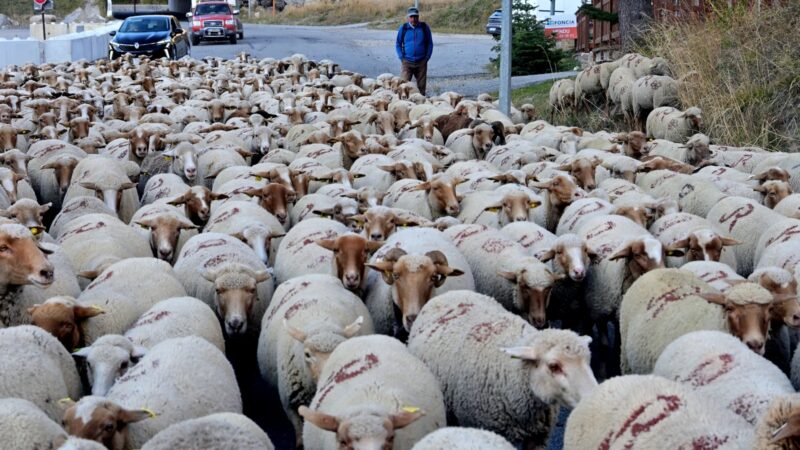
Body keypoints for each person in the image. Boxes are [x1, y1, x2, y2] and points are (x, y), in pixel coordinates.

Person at [395, 7, 433, 96]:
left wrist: (427, 57)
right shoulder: (404, 28)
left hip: (421, 62)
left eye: (415, 16)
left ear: (418, 17)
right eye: (411, 17)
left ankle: (421, 102)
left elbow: (430, 43)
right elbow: (398, 43)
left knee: (421, 87)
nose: (413, 19)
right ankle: (403, 102)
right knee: (403, 86)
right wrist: (401, 57)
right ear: (408, 17)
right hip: (407, 62)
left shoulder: (424, 27)